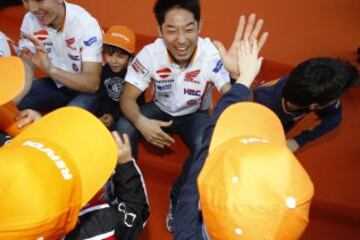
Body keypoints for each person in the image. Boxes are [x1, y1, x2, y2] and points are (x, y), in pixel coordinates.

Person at [116, 0, 267, 232]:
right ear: (158, 30)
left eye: (189, 29)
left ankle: (178, 196)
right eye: (171, 30)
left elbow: (240, 107)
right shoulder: (149, 54)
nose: (182, 39)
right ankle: (127, 187)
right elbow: (127, 98)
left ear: (200, 26)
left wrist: (240, 76)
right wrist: (141, 122)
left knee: (208, 143)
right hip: (158, 108)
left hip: (194, 114)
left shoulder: (211, 54)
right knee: (124, 126)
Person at [0, 60, 149, 239]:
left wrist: (37, 133)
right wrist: (125, 164)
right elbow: (135, 212)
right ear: (66, 219)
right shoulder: (90, 229)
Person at [253, 57, 359, 151]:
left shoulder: (309, 88)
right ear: (314, 106)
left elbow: (333, 118)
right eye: (334, 99)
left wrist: (298, 141)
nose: (335, 102)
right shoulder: (261, 103)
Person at [15, 0, 103, 113]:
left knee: (66, 121)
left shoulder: (86, 24)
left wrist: (51, 70)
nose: (32, 8)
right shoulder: (30, 20)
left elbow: (92, 84)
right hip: (56, 84)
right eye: (26, 0)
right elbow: (26, 71)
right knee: (14, 102)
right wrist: (10, 103)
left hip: (86, 91)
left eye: (39, 0)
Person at [96, 25, 144, 129]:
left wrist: (114, 116)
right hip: (107, 113)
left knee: (123, 127)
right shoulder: (104, 71)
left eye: (120, 56)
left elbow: (138, 104)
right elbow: (103, 97)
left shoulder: (136, 76)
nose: (114, 61)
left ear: (130, 57)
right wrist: (104, 114)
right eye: (109, 55)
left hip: (127, 113)